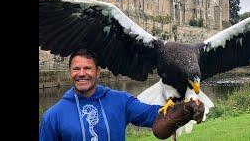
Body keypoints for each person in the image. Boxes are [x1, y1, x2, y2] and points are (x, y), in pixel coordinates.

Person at [39, 49, 205, 141]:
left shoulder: (120, 101)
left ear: (98, 71)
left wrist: (185, 110)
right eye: (76, 69)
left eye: (87, 68)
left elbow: (157, 118)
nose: (81, 73)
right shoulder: (53, 116)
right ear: (70, 73)